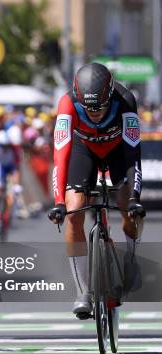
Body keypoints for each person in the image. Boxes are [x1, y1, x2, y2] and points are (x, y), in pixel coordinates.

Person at [48, 63, 145, 319]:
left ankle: (131, 255)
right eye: (88, 109)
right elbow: (60, 155)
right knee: (73, 212)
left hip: (117, 152)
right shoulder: (67, 103)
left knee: (129, 210)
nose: (94, 114)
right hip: (84, 151)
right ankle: (83, 291)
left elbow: (134, 155)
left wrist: (134, 199)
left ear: (109, 95)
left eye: (100, 108)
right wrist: (59, 201)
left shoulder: (125, 100)